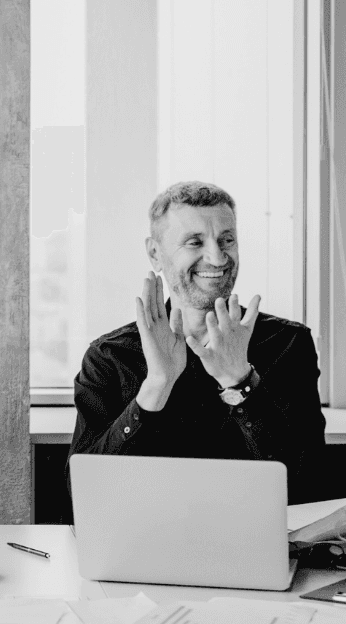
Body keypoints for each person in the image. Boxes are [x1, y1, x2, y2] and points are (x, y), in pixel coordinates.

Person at [67, 180, 327, 503]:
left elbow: (309, 486)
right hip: (146, 547)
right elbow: (82, 496)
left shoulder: (290, 345)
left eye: (226, 240)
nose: (217, 259)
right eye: (195, 242)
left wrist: (242, 382)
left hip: (253, 548)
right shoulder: (108, 358)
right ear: (155, 254)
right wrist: (156, 386)